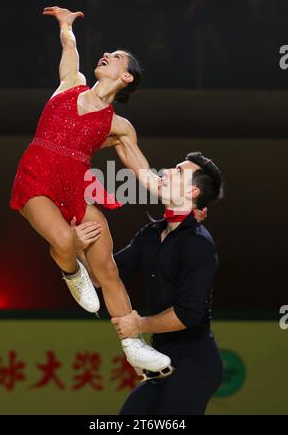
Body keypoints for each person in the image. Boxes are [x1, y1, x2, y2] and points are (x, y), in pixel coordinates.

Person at [10, 5, 183, 376]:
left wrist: (171, 193)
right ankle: (72, 273)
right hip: (36, 176)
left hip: (75, 188)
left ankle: (134, 347)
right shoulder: (71, 82)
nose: (106, 55)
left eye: (117, 57)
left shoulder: (118, 126)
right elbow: (69, 47)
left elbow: (142, 171)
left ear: (127, 78)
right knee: (64, 239)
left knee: (107, 268)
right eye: (108, 53)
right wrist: (66, 24)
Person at [76, 152, 224, 413]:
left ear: (192, 191)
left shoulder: (200, 245)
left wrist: (138, 324)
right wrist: (76, 247)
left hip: (196, 362)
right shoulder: (149, 235)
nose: (165, 171)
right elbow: (102, 277)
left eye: (177, 171)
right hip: (162, 363)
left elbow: (189, 315)